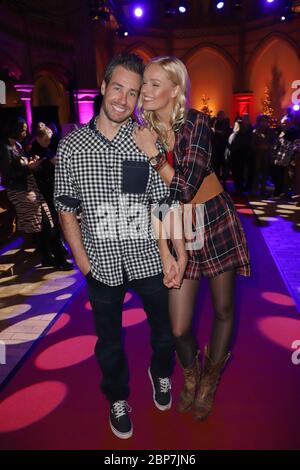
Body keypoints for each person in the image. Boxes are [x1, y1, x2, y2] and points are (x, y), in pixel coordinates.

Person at [54, 53, 187, 439]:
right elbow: (65, 208)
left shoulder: (146, 142)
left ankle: (161, 374)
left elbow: (163, 202)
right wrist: (83, 262)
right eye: (118, 88)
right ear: (103, 88)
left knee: (166, 333)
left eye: (133, 93)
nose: (124, 100)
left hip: (148, 257)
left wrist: (173, 254)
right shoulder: (72, 147)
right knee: (109, 344)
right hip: (101, 263)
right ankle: (117, 397)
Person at [133, 56, 250, 421]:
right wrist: (165, 251)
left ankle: (209, 382)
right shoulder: (138, 132)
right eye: (144, 83)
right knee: (179, 326)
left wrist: (153, 154)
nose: (145, 90)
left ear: (174, 90)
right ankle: (192, 374)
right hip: (174, 229)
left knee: (223, 309)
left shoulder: (196, 123)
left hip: (213, 219)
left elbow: (184, 187)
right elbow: (145, 199)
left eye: (154, 83)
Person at [0, 117, 72, 270]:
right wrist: (29, 167)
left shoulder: (17, 145)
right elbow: (9, 174)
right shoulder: (5, 148)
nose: (26, 132)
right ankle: (53, 256)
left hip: (31, 187)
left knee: (46, 223)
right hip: (20, 191)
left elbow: (22, 165)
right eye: (23, 129)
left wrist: (31, 163)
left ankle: (50, 257)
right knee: (41, 224)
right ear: (14, 129)